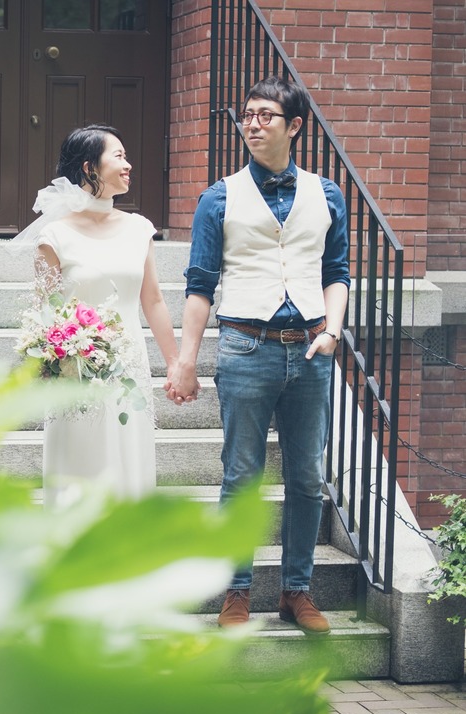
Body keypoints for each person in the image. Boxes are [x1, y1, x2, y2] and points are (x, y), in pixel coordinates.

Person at [167, 77, 350, 634]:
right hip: (247, 346)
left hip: (312, 351)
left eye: (266, 115)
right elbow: (200, 285)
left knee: (305, 476)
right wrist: (185, 358)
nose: (252, 123)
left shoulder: (328, 194)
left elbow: (336, 276)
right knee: (240, 476)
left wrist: (333, 332)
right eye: (247, 115)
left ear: (294, 126)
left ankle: (297, 592)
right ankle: (237, 592)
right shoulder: (219, 196)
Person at [21, 124, 181, 508]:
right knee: (80, 467)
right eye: (119, 156)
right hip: (76, 374)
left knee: (129, 465)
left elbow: (154, 300)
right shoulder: (54, 236)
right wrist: (58, 357)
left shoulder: (139, 229)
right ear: (91, 168)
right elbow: (44, 311)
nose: (129, 165)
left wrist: (175, 362)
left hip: (129, 369)